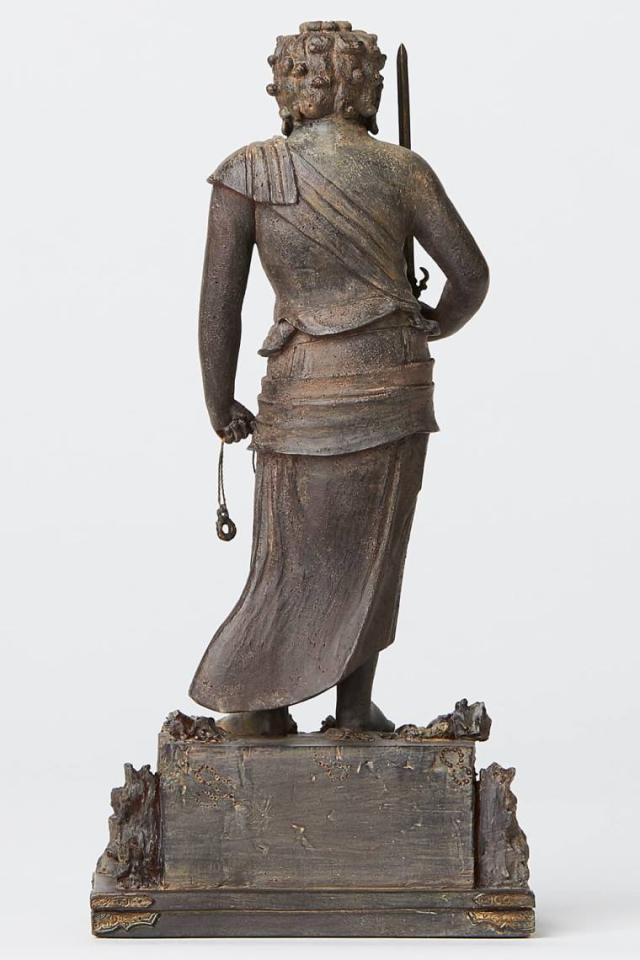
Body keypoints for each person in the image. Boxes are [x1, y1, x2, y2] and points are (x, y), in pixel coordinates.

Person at [190, 21, 489, 735]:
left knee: (287, 556)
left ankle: (262, 708)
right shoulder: (402, 170)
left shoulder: (248, 172)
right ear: (367, 89)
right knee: (371, 551)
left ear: (286, 87)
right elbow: (471, 277)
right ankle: (352, 706)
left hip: (299, 382)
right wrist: (434, 322)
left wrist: (218, 401)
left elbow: (218, 307)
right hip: (393, 378)